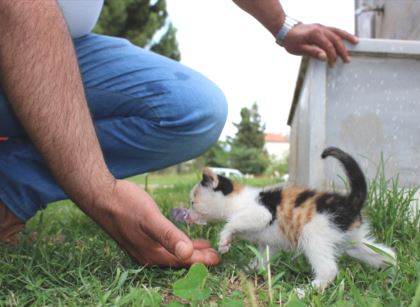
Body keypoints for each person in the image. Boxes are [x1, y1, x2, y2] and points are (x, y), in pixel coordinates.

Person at [0, 0, 358, 267]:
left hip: (65, 40)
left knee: (194, 109)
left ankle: (8, 189)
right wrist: (99, 191)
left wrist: (282, 25)